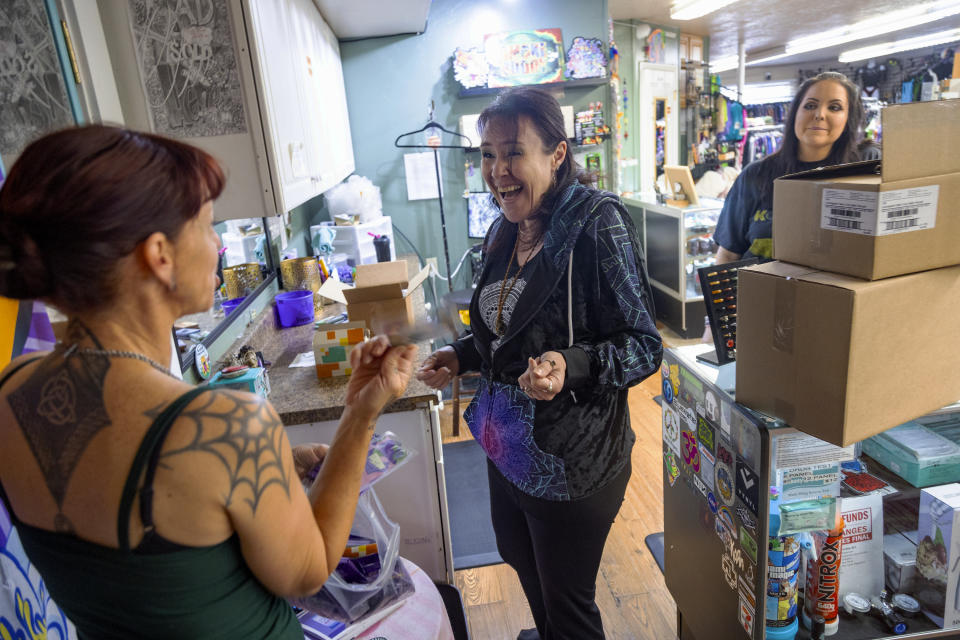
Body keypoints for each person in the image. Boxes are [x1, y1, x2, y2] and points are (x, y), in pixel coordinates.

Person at [0, 125, 417, 639]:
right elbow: (310, 568)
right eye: (206, 225)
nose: (218, 244)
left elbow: (127, 511)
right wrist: (360, 412)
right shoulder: (227, 428)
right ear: (159, 254)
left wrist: (273, 465)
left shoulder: (10, 394)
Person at [417, 87, 663, 640]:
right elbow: (503, 329)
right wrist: (460, 354)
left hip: (573, 460)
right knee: (518, 557)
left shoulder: (598, 224)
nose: (497, 170)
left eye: (512, 152)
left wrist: (570, 365)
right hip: (508, 449)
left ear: (556, 154)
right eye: (487, 154)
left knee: (569, 606)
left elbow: (645, 346)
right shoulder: (505, 227)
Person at [713, 71, 866, 263]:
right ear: (795, 113)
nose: (819, 115)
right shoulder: (756, 175)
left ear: (848, 119)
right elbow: (727, 253)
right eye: (810, 106)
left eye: (834, 107)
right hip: (759, 291)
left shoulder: (862, 178)